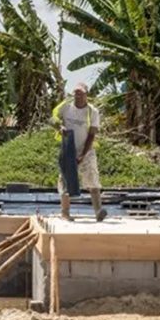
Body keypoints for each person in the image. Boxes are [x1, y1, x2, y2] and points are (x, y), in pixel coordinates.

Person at [52, 82, 107, 222]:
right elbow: (52, 119)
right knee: (65, 181)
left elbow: (92, 134)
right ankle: (65, 213)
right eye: (75, 93)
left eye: (80, 94)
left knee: (92, 179)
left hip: (86, 149)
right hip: (68, 148)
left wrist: (83, 154)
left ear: (86, 95)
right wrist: (60, 126)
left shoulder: (92, 112)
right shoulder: (66, 107)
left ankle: (98, 211)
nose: (77, 96)